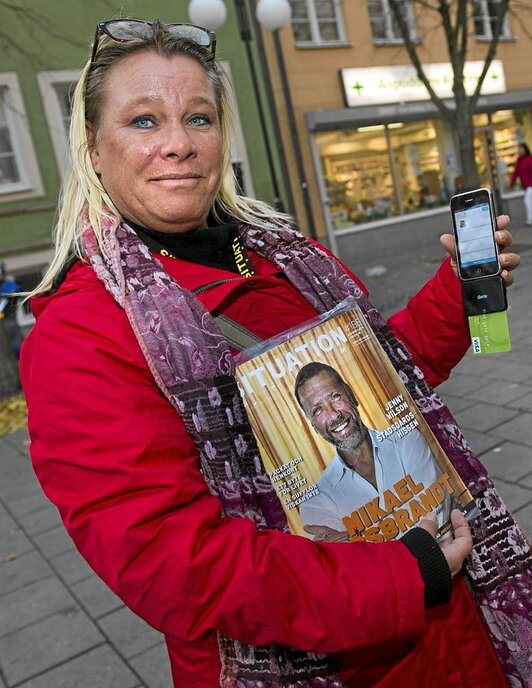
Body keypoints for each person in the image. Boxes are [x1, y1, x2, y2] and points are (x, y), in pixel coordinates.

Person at [19, 19, 525, 688]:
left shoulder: (280, 258)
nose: (177, 144)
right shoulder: (82, 332)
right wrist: (407, 574)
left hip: (456, 623)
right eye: (144, 120)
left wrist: (458, 293)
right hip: (340, 650)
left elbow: (386, 387)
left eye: (198, 117)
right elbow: (170, 561)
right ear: (93, 145)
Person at [294, 362, 450, 542]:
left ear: (352, 395)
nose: (334, 415)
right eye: (317, 409)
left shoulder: (407, 440)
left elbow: (438, 519)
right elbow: (350, 566)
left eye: (335, 396)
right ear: (313, 425)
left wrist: (355, 540)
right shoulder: (316, 501)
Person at [509, 142, 532, 225]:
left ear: (525, 149)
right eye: (519, 149)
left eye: (521, 148)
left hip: (531, 185)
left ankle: (530, 220)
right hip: (525, 186)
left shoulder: (529, 159)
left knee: (527, 201)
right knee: (529, 201)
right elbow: (515, 174)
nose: (520, 150)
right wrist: (511, 184)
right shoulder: (519, 161)